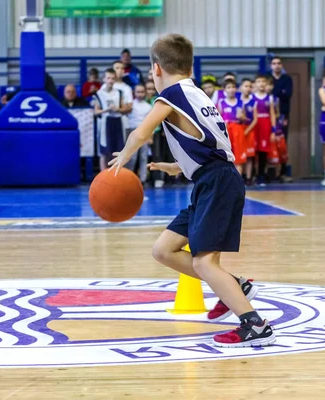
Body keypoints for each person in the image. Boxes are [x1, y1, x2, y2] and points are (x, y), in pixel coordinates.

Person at [108, 33, 275, 347]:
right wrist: (176, 166)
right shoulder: (197, 94)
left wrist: (123, 157)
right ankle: (235, 286)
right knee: (163, 250)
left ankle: (254, 325)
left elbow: (142, 132)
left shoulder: (170, 96)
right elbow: (210, 144)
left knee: (203, 263)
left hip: (217, 183)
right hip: (212, 179)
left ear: (156, 69)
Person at [94, 68, 127, 173]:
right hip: (105, 122)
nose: (110, 80)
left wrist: (118, 109)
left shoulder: (119, 93)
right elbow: (96, 112)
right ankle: (103, 175)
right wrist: (107, 109)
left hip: (117, 121)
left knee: (118, 151)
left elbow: (124, 109)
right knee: (104, 151)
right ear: (104, 79)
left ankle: (118, 175)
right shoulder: (99, 94)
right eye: (108, 78)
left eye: (113, 78)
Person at [270, 57, 293, 181]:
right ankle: (271, 172)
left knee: (283, 143)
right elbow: (278, 94)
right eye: (274, 63)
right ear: (271, 66)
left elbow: (287, 94)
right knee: (269, 143)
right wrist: (280, 92)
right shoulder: (268, 78)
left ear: (282, 65)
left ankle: (283, 172)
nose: (276, 65)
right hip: (268, 116)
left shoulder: (287, 79)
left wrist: (275, 92)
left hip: (283, 115)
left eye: (279, 63)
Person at [126, 83, 153, 184]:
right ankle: (128, 176)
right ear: (134, 93)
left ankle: (143, 178)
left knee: (143, 156)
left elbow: (150, 122)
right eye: (138, 92)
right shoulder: (130, 105)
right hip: (132, 132)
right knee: (131, 156)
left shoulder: (148, 106)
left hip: (144, 132)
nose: (140, 94)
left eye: (142, 92)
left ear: (145, 93)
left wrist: (150, 136)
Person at [218, 79, 247, 175]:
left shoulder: (241, 102)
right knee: (226, 157)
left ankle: (239, 180)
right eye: (229, 87)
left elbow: (245, 119)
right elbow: (217, 119)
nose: (231, 89)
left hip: (238, 131)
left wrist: (243, 117)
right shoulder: (221, 102)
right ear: (224, 90)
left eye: (233, 87)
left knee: (238, 157)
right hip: (226, 132)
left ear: (237, 89)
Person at [253, 74, 276, 186]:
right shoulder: (252, 97)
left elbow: (272, 114)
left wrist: (273, 130)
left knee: (263, 152)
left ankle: (261, 175)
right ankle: (252, 175)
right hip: (254, 125)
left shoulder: (270, 98)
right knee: (253, 152)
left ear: (266, 84)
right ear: (255, 84)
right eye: (259, 81)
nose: (261, 83)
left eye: (263, 81)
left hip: (265, 125)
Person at [240, 78, 257, 185]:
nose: (248, 88)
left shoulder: (253, 101)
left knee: (250, 156)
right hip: (238, 130)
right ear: (241, 87)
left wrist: (248, 129)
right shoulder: (237, 100)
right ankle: (239, 177)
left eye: (250, 86)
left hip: (249, 129)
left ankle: (249, 177)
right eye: (246, 86)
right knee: (239, 155)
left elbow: (256, 119)